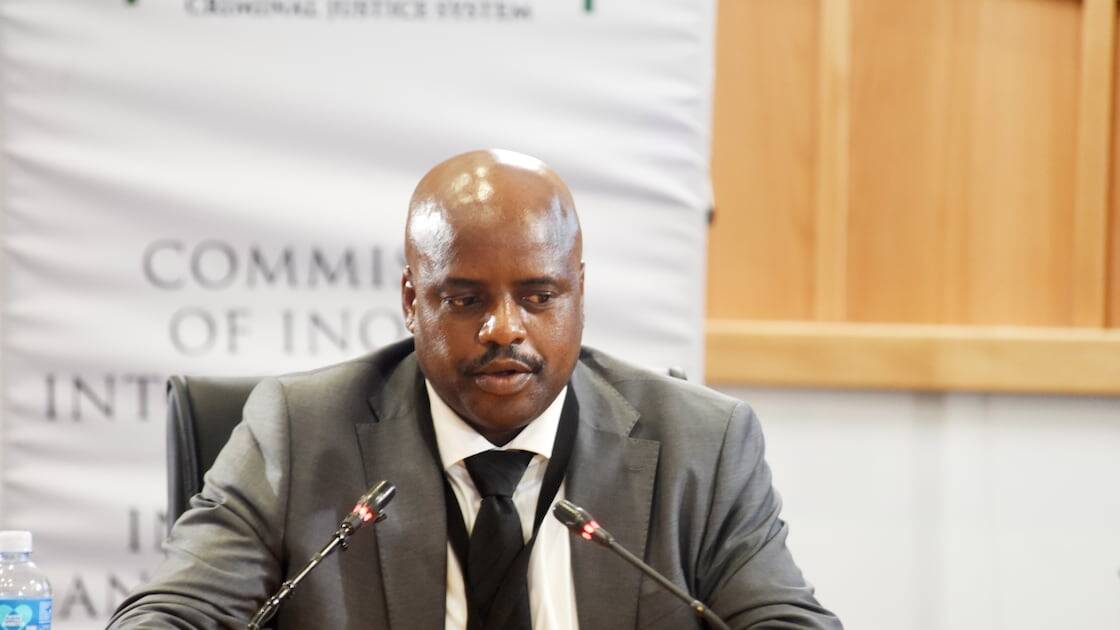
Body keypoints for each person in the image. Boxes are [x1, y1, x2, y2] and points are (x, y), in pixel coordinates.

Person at [109, 149, 842, 629]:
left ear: (579, 295)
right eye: (464, 299)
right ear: (412, 299)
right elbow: (169, 616)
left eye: (538, 296)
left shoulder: (702, 447)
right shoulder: (298, 436)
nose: (503, 329)